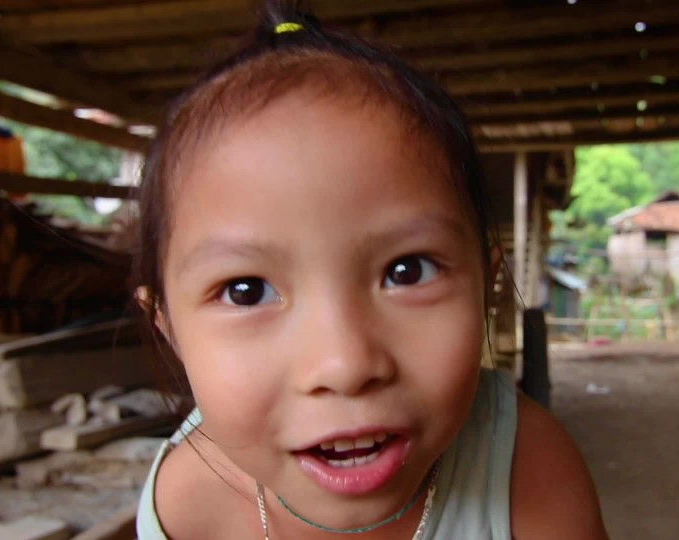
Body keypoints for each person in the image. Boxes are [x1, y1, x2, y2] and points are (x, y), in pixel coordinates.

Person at [133, 3, 608, 538]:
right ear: (169, 326)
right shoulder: (186, 508)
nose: (344, 364)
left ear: (484, 285)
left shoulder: (530, 473)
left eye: (407, 271)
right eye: (246, 292)